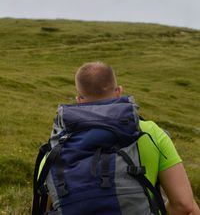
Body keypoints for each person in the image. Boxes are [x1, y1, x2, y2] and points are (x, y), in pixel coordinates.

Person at [35, 61, 200, 215]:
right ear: (119, 91)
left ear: (79, 100)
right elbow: (184, 205)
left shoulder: (58, 147)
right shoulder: (150, 132)